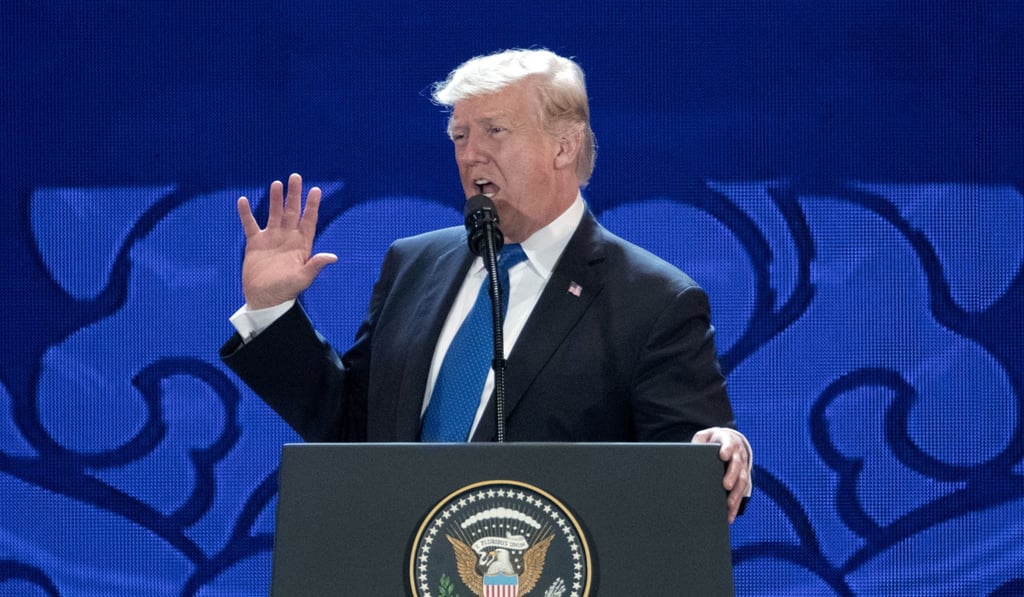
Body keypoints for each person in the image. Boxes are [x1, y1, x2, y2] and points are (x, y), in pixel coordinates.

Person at [220, 49, 752, 522]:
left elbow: (692, 473)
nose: (470, 153)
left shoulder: (653, 300)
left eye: (494, 131)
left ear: (563, 147)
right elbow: (355, 431)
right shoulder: (414, 263)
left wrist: (717, 452)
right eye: (459, 135)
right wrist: (271, 310)